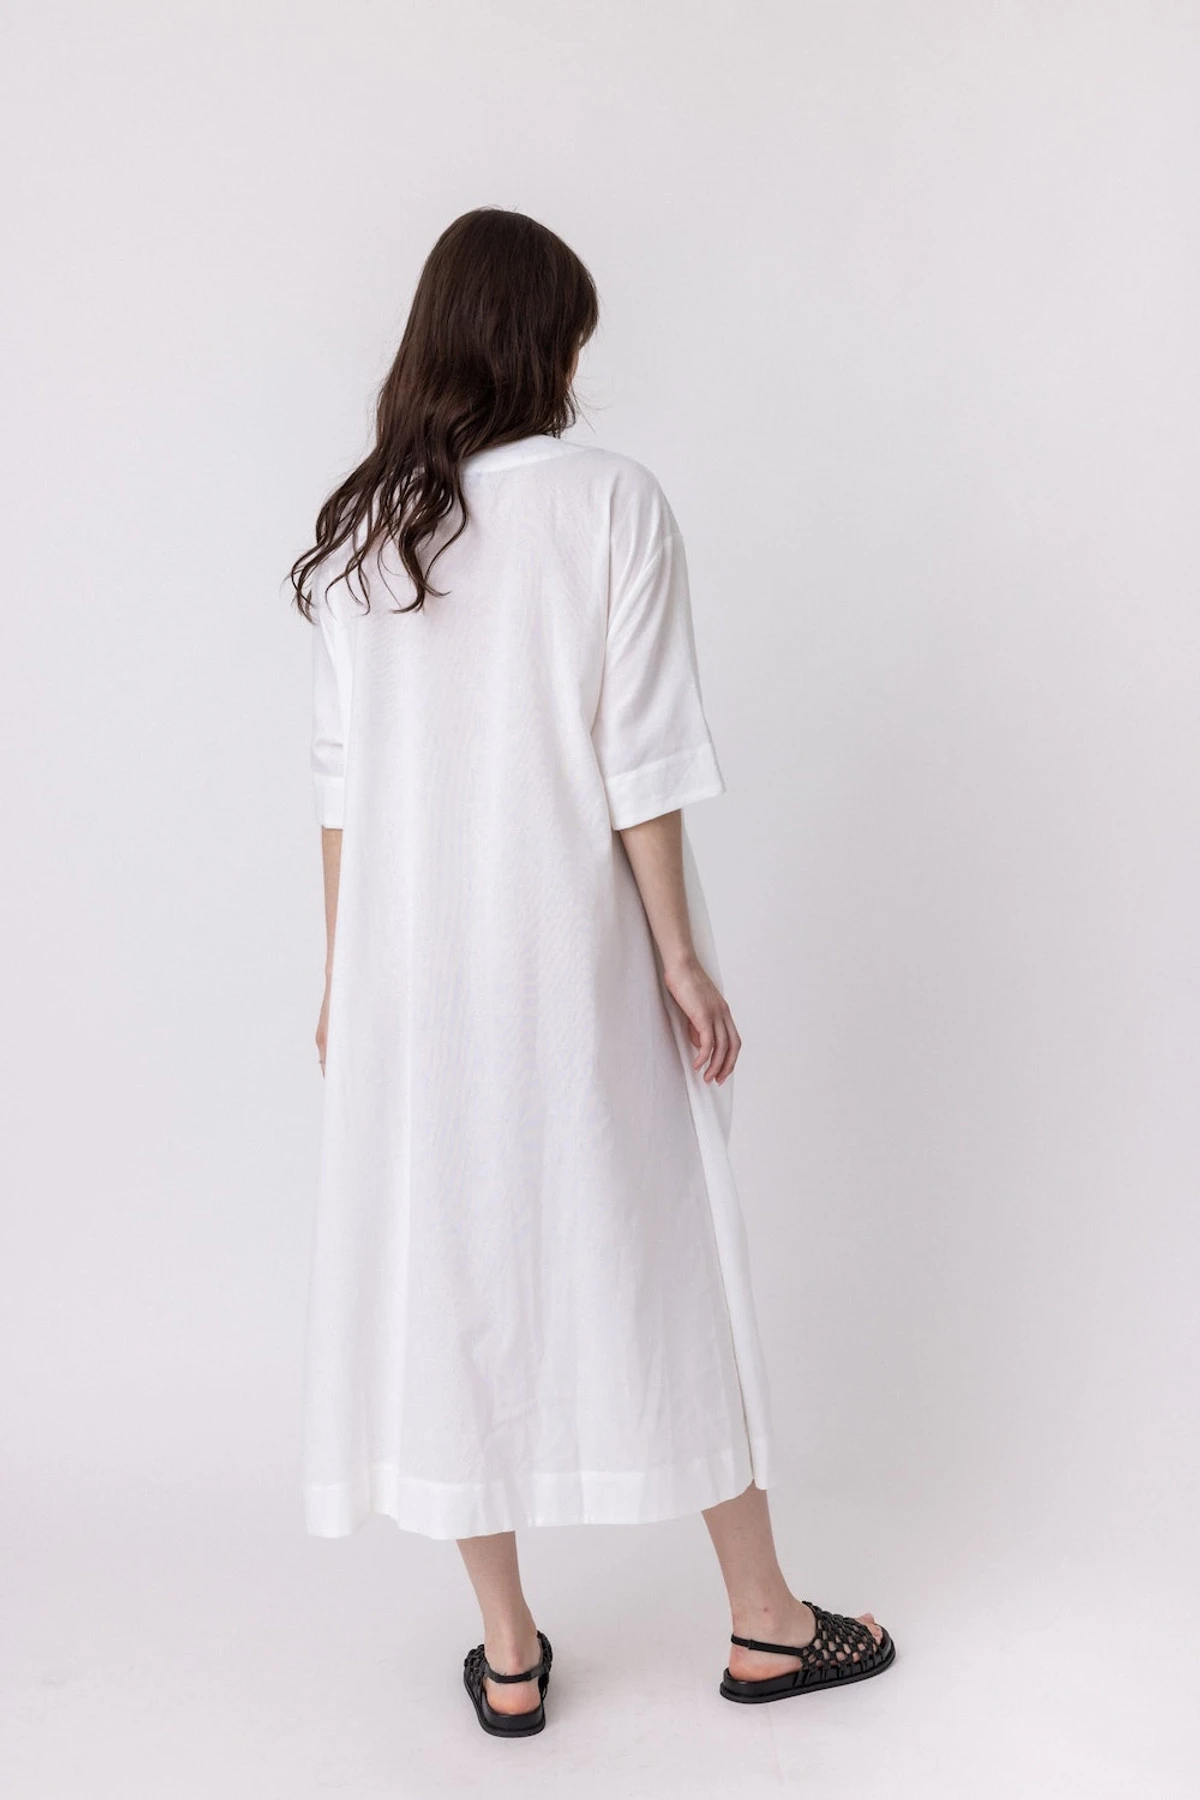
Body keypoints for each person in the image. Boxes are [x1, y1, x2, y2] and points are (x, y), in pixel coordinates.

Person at [289, 206, 894, 1738]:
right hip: (573, 959)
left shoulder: (364, 537)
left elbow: (340, 790)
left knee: (450, 1281)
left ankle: (508, 1654)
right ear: (539, 342)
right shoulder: (611, 502)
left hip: (410, 987)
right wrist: (680, 959)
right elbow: (644, 758)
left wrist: (343, 982)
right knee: (668, 1252)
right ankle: (765, 1622)